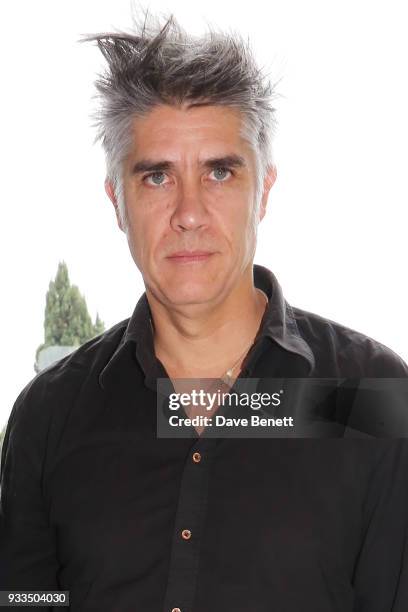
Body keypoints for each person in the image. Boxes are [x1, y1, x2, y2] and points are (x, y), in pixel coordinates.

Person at [1, 10, 407, 611]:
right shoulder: (50, 415)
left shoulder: (370, 398)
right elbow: (25, 602)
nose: (189, 212)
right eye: (157, 177)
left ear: (263, 189)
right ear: (117, 200)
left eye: (220, 172)